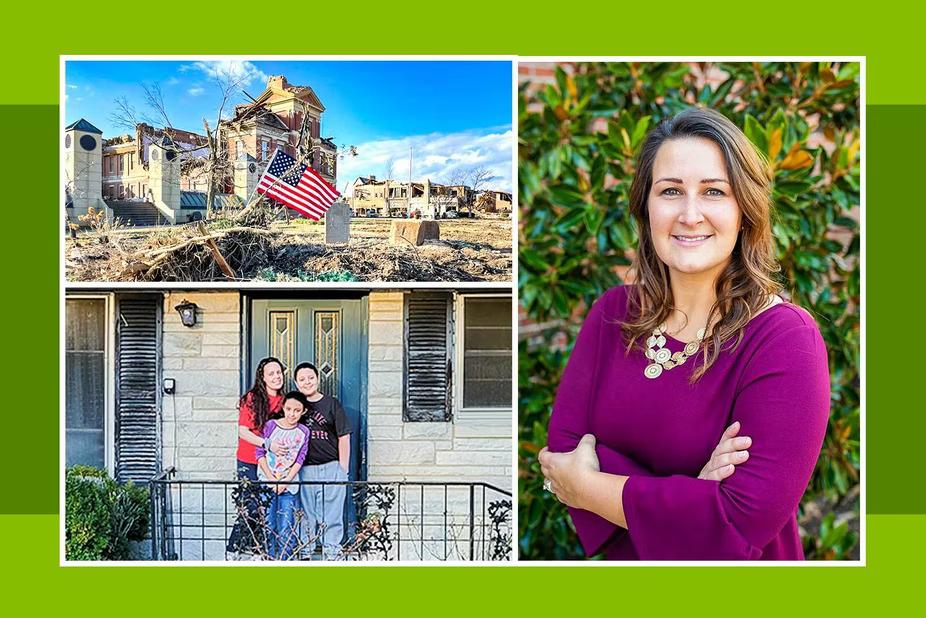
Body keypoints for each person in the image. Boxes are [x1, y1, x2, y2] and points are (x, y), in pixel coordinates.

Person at [538, 108, 830, 560]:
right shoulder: (613, 313)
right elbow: (561, 457)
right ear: (646, 207)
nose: (690, 214)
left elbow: (741, 521)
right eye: (671, 191)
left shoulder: (784, 339)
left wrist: (590, 486)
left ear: (744, 210)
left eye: (714, 191)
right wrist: (695, 495)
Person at [226, 357, 286, 555]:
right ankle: (236, 548)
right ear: (263, 377)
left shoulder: (285, 401)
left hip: (273, 463)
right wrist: (267, 444)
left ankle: (262, 548)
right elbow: (243, 431)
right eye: (271, 373)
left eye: (279, 372)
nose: (277, 377)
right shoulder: (251, 398)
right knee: (250, 504)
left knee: (268, 505)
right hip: (249, 459)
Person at [293, 362, 353, 560]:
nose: (307, 382)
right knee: (305, 516)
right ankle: (306, 554)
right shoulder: (295, 407)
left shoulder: (332, 404)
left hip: (331, 467)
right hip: (304, 469)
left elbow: (344, 436)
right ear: (296, 383)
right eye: (302, 379)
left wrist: (342, 469)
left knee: (333, 516)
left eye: (310, 377)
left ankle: (332, 555)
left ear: (318, 378)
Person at [256, 391, 311, 560]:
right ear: (283, 407)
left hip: (289, 484)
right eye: (288, 409)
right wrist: (271, 479)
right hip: (268, 481)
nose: (292, 414)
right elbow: (259, 453)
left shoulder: (303, 431)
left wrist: (285, 481)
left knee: (286, 526)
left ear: (303, 411)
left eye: (296, 410)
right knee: (268, 524)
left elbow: (300, 458)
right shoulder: (270, 426)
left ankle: (285, 561)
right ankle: (269, 559)